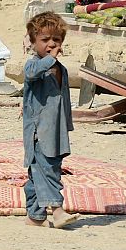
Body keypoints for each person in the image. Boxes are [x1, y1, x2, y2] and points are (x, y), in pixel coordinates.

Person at [23, 12, 81, 229]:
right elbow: (31, 75)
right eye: (45, 40)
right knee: (45, 169)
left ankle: (35, 216)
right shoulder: (34, 65)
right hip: (39, 131)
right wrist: (50, 59)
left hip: (57, 130)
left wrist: (67, 126)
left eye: (56, 40)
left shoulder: (61, 69)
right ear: (33, 42)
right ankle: (57, 211)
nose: (51, 44)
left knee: (45, 171)